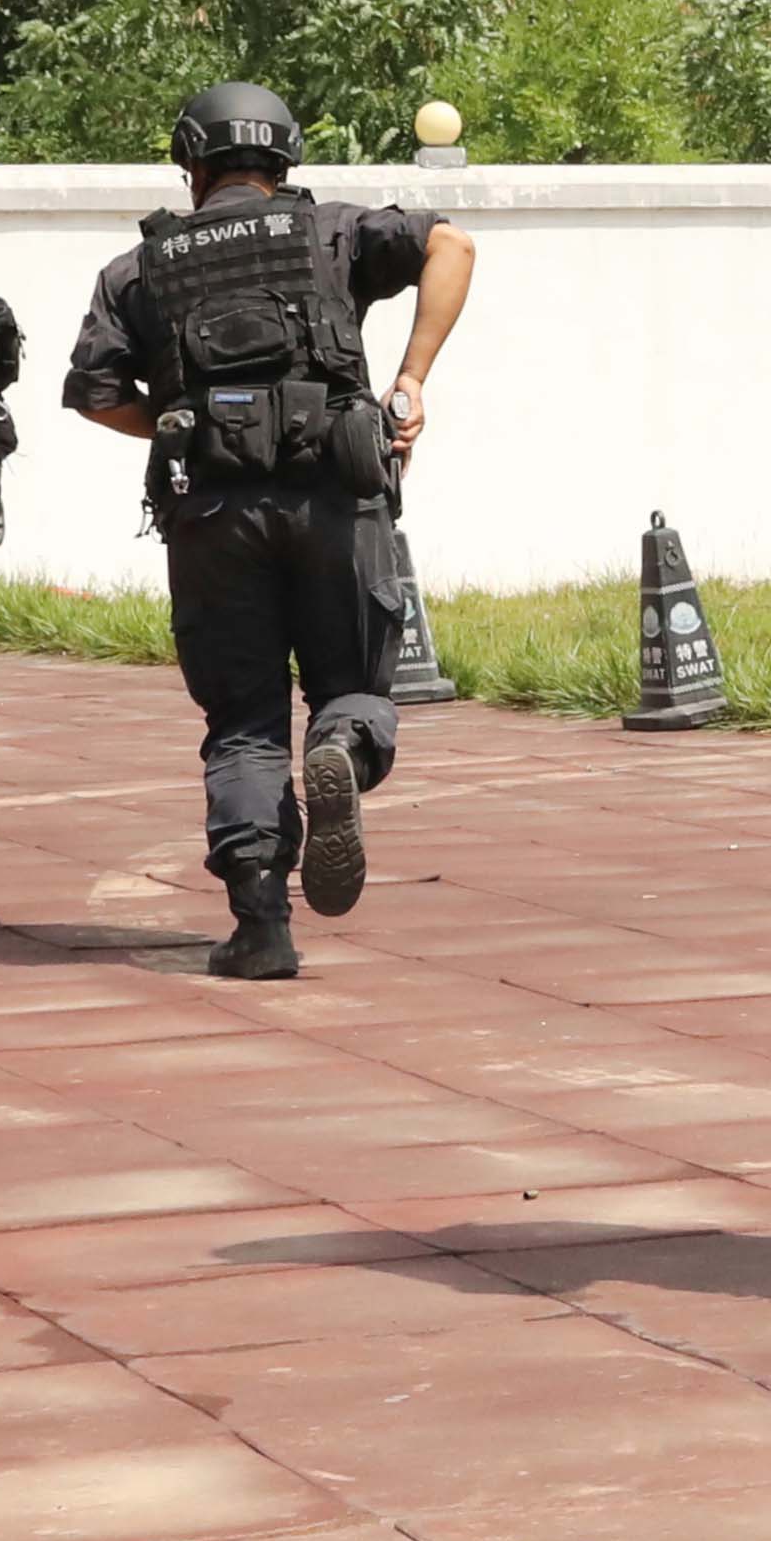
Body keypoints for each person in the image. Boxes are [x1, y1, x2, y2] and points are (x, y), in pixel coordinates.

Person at [60, 83, 475, 977]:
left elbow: (94, 394)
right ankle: (341, 747)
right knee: (351, 684)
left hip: (211, 515)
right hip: (336, 493)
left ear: (191, 164)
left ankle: (260, 927)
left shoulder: (138, 269)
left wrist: (184, 418)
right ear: (284, 160)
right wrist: (410, 380)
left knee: (243, 723)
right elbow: (453, 243)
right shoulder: (335, 232)